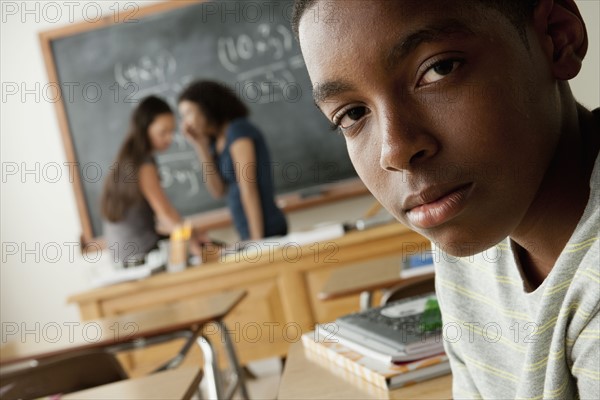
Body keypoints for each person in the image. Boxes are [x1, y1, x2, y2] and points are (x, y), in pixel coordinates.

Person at [292, 0, 599, 398]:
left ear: (557, 39)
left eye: (439, 69)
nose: (394, 150)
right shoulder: (470, 230)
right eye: (351, 114)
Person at [178, 81, 288, 241]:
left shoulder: (238, 131)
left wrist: (256, 239)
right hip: (246, 232)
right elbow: (218, 191)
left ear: (206, 108)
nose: (186, 122)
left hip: (265, 230)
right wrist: (200, 145)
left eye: (188, 113)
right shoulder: (214, 143)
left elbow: (248, 187)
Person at [101, 95, 201, 264]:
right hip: (142, 256)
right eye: (163, 132)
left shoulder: (127, 158)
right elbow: (165, 214)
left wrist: (192, 233)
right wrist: (194, 245)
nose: (169, 138)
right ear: (145, 128)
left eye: (172, 131)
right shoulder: (143, 163)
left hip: (123, 258)